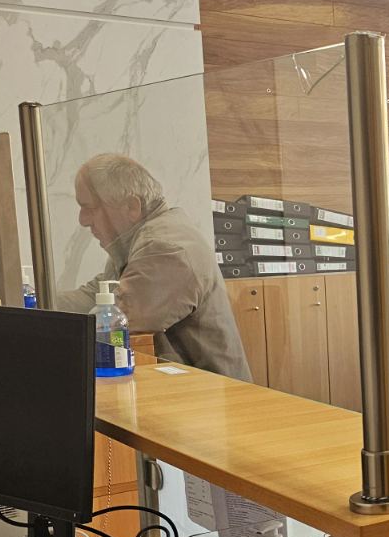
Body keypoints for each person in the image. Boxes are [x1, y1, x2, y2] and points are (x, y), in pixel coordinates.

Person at [55, 154, 251, 381]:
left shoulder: (165, 248)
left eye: (89, 208)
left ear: (132, 207)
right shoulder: (136, 241)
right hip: (190, 388)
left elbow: (115, 323)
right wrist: (30, 303)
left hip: (211, 395)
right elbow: (95, 298)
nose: (83, 220)